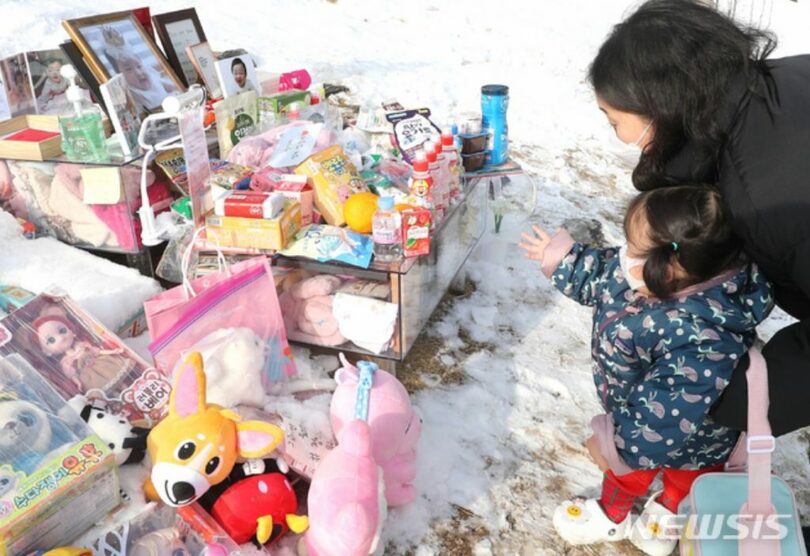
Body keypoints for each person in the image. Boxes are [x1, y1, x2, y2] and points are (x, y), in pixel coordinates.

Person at [589, 0, 810, 438]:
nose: (615, 132)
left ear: (660, 106)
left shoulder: (770, 202)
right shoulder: (782, 82)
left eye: (613, 119)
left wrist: (739, 397)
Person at [518, 185, 773, 554]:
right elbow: (603, 275)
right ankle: (614, 515)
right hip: (635, 412)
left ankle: (666, 513)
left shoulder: (702, 339)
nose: (622, 256)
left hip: (694, 438)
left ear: (670, 268)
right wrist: (564, 259)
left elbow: (665, 415)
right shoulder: (645, 275)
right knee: (628, 477)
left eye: (632, 249)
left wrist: (615, 448)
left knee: (673, 478)